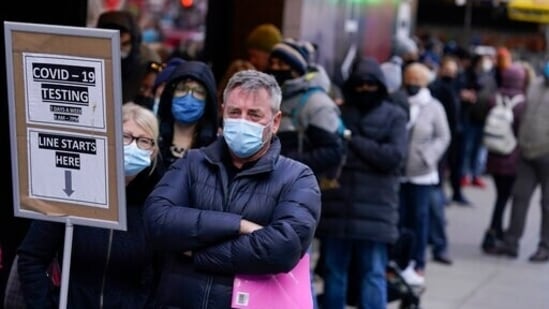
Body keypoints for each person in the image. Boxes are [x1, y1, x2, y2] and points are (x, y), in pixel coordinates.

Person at [142, 70, 321, 308]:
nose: (242, 121)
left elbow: (284, 248)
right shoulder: (192, 163)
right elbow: (157, 219)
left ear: (275, 121)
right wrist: (238, 225)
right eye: (235, 112)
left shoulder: (298, 178)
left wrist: (198, 254)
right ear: (223, 113)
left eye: (254, 114)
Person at [17, 103, 164, 308]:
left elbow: (162, 274)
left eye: (144, 141)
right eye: (126, 136)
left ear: (153, 151)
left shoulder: (157, 205)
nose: (133, 146)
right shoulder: (74, 190)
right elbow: (31, 257)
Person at [316, 57, 408, 308]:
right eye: (360, 84)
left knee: (373, 272)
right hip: (339, 206)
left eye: (371, 84)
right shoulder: (341, 113)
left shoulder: (395, 116)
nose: (365, 89)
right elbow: (331, 153)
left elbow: (393, 157)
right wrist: (369, 152)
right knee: (335, 271)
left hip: (375, 210)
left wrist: (353, 140)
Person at [399, 62, 451, 284]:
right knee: (401, 218)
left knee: (420, 218)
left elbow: (443, 136)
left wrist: (427, 157)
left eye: (416, 82)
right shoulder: (400, 102)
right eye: (409, 80)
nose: (412, 85)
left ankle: (418, 261)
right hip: (399, 172)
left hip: (422, 174)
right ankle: (401, 260)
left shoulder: (433, 107)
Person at [493, 62, 549, 262]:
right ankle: (511, 242)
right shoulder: (534, 85)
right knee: (519, 197)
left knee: (547, 204)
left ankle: (545, 246)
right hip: (526, 153)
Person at [481, 63, 527, 254]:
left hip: (493, 155)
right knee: (503, 198)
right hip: (511, 156)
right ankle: (493, 233)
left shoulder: (494, 97)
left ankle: (496, 231)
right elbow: (520, 132)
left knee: (500, 196)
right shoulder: (521, 103)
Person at [155, 60, 219, 168]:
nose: (188, 97)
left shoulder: (215, 148)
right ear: (171, 94)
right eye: (182, 89)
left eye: (199, 92)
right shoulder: (152, 138)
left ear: (208, 101)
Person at [96, 10, 161, 104]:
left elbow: (150, 86)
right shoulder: (96, 53)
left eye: (121, 34)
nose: (117, 39)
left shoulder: (149, 58)